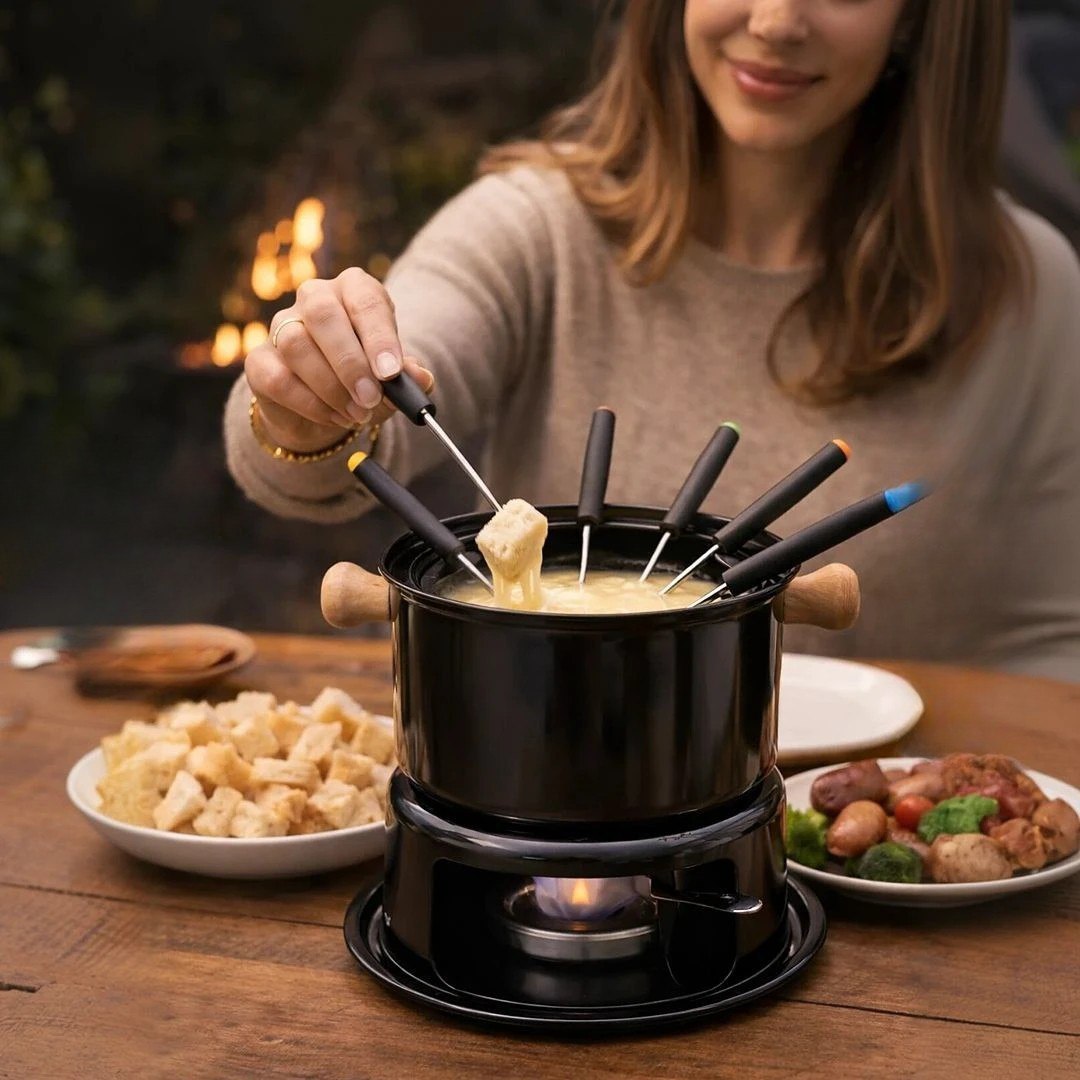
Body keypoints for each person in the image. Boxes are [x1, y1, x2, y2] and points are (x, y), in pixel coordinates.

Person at [225, 0, 1080, 681]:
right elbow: (405, 351)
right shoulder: (535, 227)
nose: (776, 20)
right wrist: (312, 401)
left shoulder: (1029, 287)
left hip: (880, 829)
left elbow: (1059, 639)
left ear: (922, 16)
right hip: (579, 791)